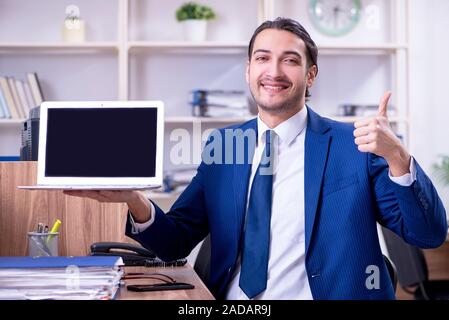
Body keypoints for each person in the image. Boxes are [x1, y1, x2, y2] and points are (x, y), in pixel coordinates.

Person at [65, 17, 447, 300]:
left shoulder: (356, 145)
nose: (274, 71)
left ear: (310, 75)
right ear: (249, 70)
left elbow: (428, 233)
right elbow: (175, 241)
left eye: (290, 60)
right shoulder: (223, 146)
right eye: (262, 58)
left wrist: (398, 156)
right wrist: (135, 201)